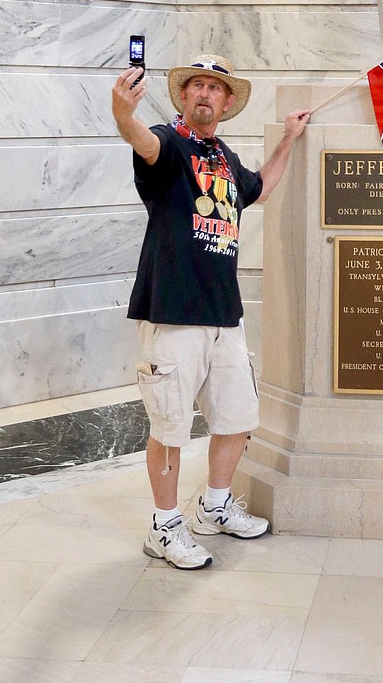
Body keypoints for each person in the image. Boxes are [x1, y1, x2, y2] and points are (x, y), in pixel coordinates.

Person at [112, 54, 310, 570]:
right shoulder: (169, 144)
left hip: (225, 315)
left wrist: (289, 138)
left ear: (226, 102)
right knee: (171, 429)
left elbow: (260, 188)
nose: (204, 93)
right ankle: (164, 526)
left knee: (236, 420)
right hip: (173, 313)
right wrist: (122, 113)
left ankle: (214, 508)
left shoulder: (223, 157)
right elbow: (142, 141)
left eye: (214, 88)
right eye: (196, 85)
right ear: (183, 97)